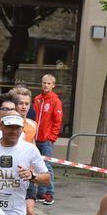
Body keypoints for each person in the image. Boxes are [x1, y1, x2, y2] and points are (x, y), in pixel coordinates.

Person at [9, 86, 40, 215]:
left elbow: (33, 145)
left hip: (26, 176)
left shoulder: (32, 125)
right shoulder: (4, 125)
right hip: (7, 177)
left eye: (27, 104)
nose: (24, 107)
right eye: (20, 103)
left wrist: (35, 169)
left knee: (30, 212)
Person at [33, 74, 63, 205]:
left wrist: (51, 138)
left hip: (46, 140)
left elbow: (58, 121)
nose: (46, 85)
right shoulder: (37, 99)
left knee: (47, 166)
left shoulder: (55, 101)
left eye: (49, 83)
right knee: (37, 166)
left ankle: (49, 193)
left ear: (53, 85)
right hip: (35, 138)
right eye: (44, 82)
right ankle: (40, 193)